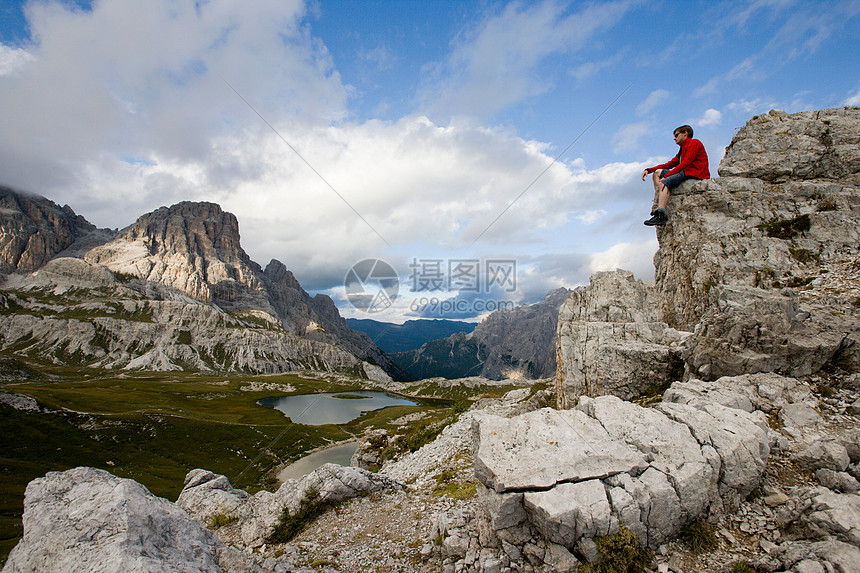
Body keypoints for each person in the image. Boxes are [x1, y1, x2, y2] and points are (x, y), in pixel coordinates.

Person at [641, 125, 710, 226]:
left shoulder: (694, 142)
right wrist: (649, 170)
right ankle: (658, 200)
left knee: (664, 182)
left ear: (685, 133)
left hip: (694, 173)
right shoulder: (682, 149)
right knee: (657, 173)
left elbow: (686, 163)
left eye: (676, 135)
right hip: (685, 171)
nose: (674, 138)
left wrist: (668, 175)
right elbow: (670, 164)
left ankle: (660, 216)